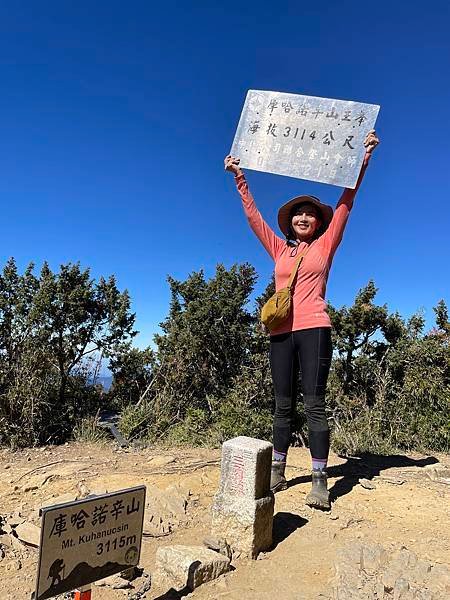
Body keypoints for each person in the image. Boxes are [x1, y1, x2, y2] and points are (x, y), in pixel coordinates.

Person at [224, 129, 380, 509]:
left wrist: (363, 158)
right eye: (298, 213)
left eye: (310, 213)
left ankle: (319, 480)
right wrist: (239, 178)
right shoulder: (280, 249)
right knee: (281, 405)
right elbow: (254, 219)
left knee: (314, 404)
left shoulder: (326, 245)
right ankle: (277, 470)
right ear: (290, 222)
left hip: (314, 330)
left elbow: (347, 201)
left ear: (318, 222)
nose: (304, 217)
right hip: (280, 332)